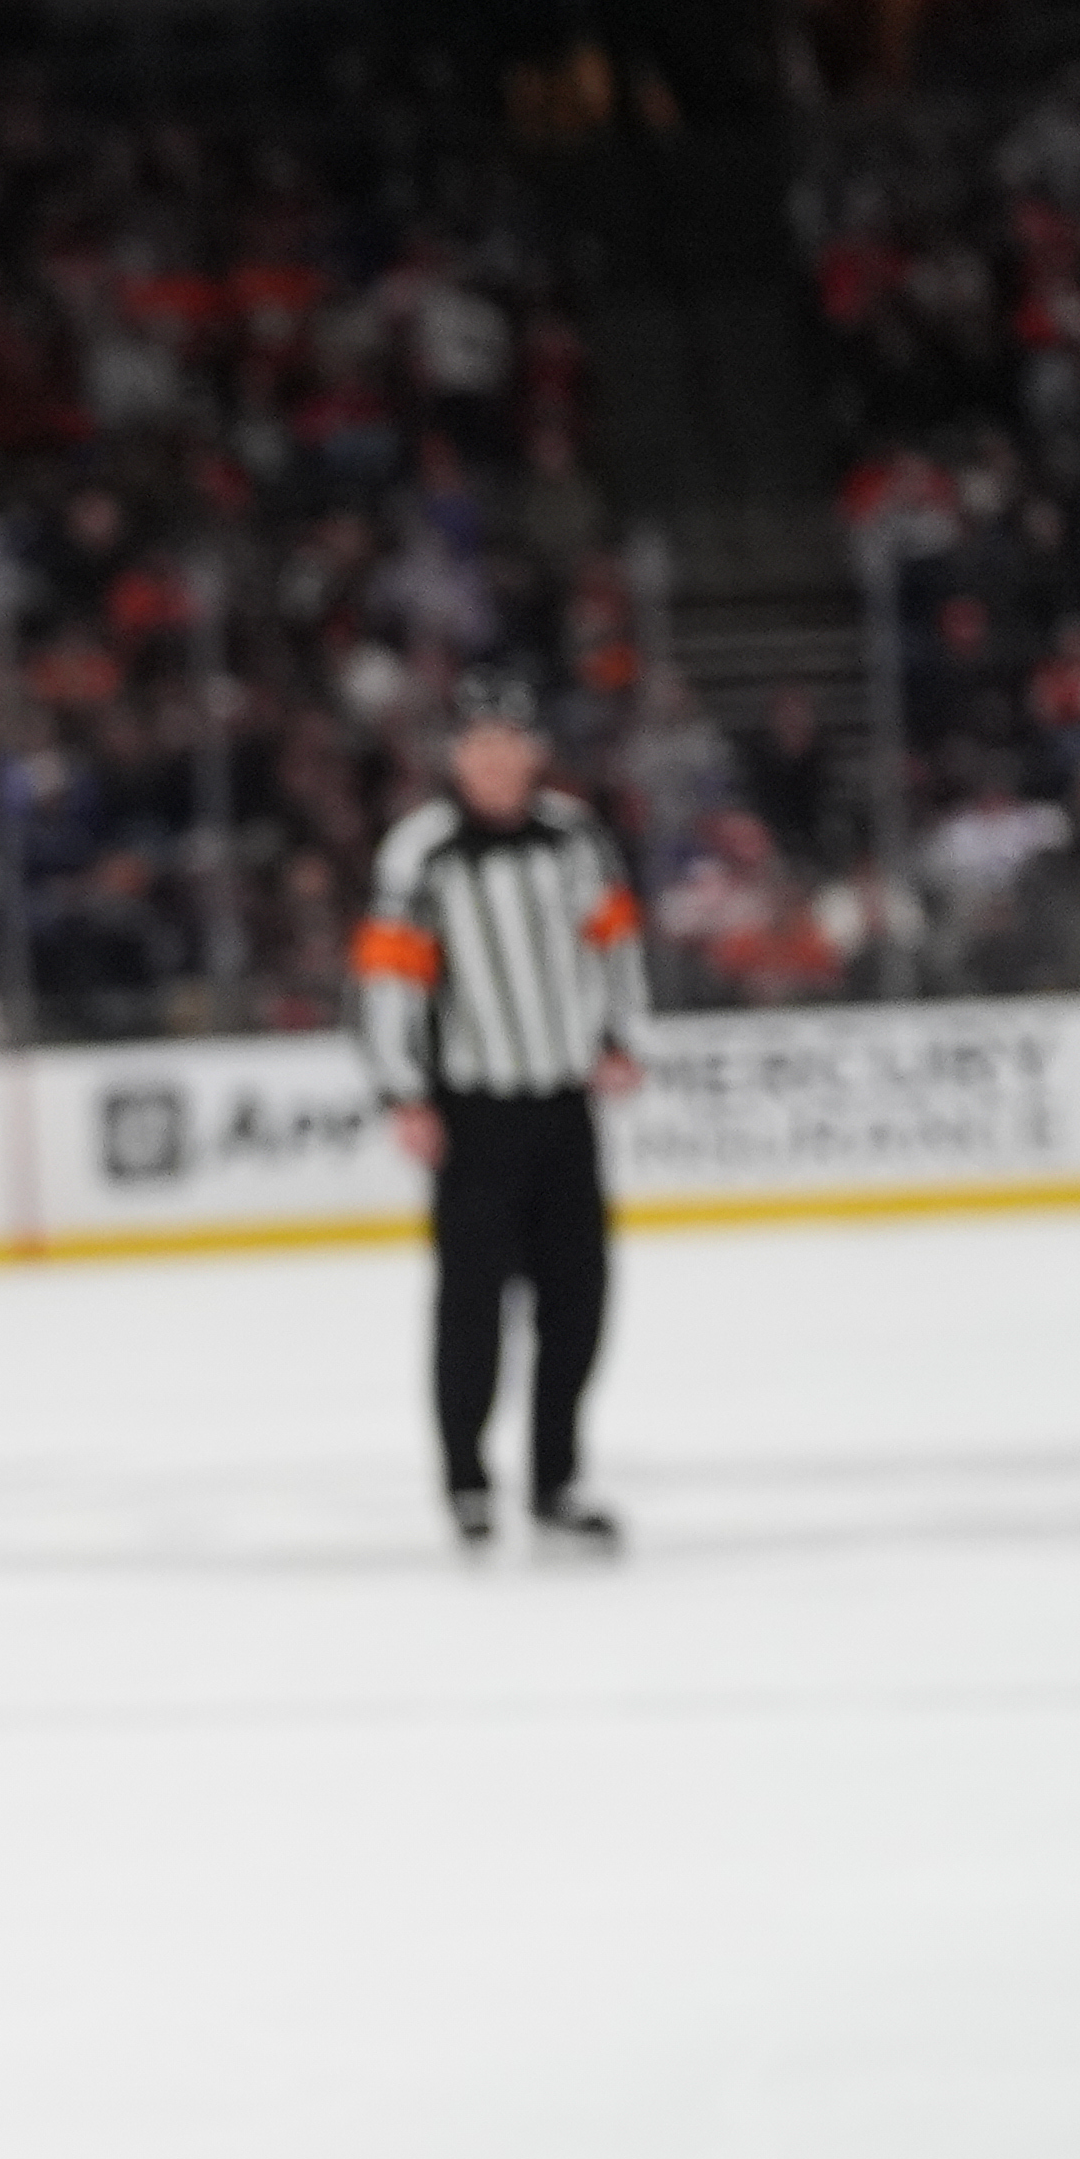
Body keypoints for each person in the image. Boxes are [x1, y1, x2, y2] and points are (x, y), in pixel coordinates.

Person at [353, 664, 649, 1552]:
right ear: (457, 755)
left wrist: (623, 1038)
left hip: (563, 1104)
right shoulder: (420, 852)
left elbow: (615, 947)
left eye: (508, 745)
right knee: (471, 1305)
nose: (493, 762)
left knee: (579, 1299)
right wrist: (404, 1090)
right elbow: (389, 983)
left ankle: (556, 1478)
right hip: (473, 1111)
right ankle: (468, 1481)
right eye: (478, 746)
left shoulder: (576, 839)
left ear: (534, 753)